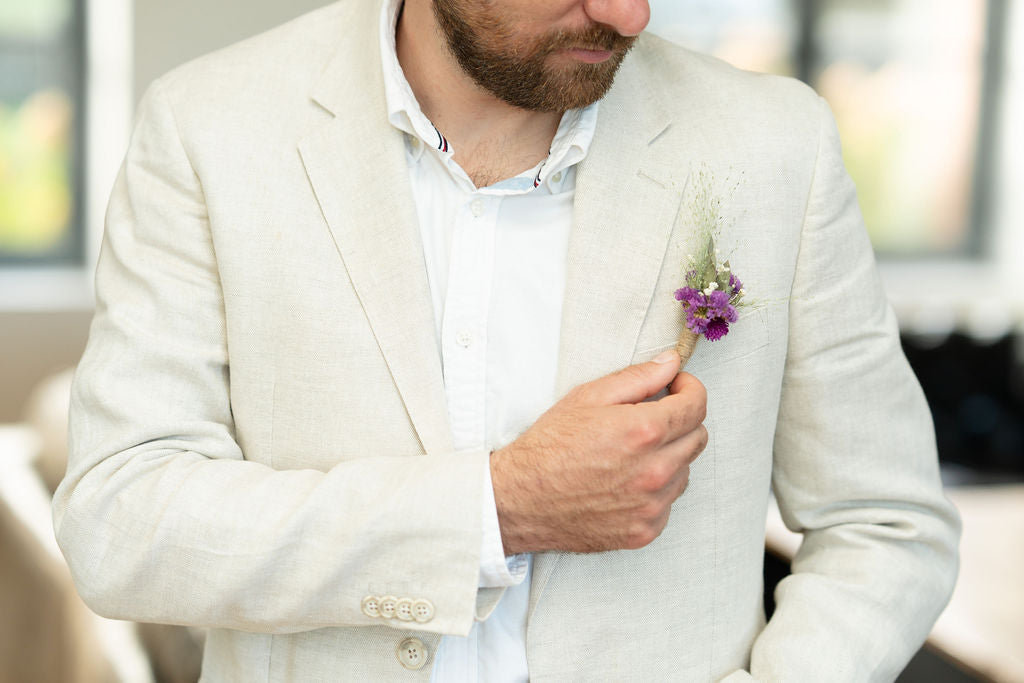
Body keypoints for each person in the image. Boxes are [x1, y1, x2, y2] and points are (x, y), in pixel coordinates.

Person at [54, 0, 960, 680]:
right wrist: (499, 506)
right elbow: (121, 523)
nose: (627, 14)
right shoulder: (209, 127)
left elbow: (887, 523)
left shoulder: (775, 144)